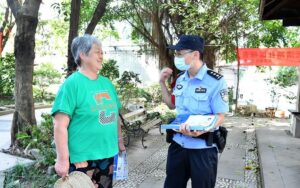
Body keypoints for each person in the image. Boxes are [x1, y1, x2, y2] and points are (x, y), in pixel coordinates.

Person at [52, 34, 125, 188]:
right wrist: (62, 159)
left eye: (102, 52)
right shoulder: (71, 85)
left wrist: (120, 142)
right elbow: (60, 125)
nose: (102, 55)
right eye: (97, 51)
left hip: (108, 154)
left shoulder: (107, 83)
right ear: (83, 55)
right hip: (82, 159)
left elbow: (115, 117)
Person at [159, 35, 229, 188]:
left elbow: (220, 115)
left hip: (203, 149)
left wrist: (202, 130)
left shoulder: (215, 81)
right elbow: (171, 104)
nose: (176, 57)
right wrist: (162, 82)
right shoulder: (180, 79)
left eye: (180, 53)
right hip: (178, 146)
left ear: (195, 55)